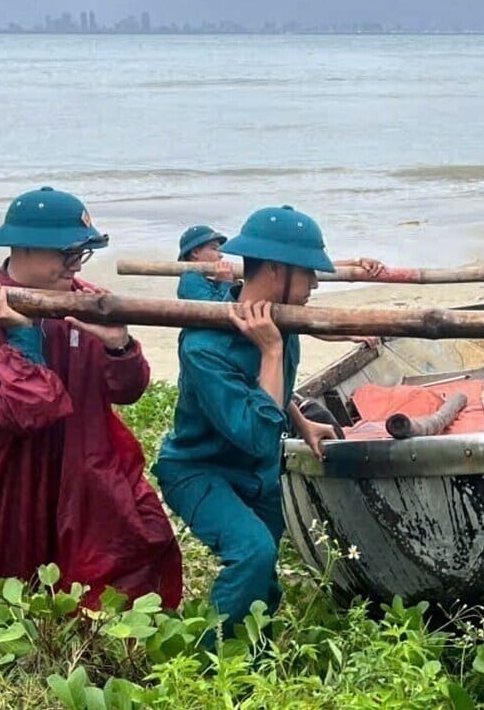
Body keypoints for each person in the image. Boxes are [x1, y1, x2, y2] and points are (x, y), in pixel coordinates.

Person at [0, 186, 182, 608]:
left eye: (80, 254)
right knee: (1, 581)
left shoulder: (87, 301)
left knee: (136, 551)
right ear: (23, 247)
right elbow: (20, 413)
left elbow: (128, 390)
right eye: (66, 254)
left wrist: (119, 346)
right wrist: (22, 335)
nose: (75, 265)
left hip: (84, 457)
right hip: (6, 473)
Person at [153, 205, 343, 642]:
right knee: (251, 553)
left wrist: (300, 421)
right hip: (199, 469)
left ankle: (256, 656)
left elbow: (267, 392)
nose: (315, 285)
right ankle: (209, 664)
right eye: (308, 273)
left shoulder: (278, 320)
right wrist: (272, 352)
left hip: (255, 472)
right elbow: (258, 435)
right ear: (276, 269)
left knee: (265, 567)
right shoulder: (204, 345)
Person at [173, 222, 384, 349]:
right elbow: (217, 316)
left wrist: (354, 262)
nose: (220, 254)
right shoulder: (191, 278)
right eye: (213, 248)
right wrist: (224, 282)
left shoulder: (236, 280)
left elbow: (299, 271)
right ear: (195, 253)